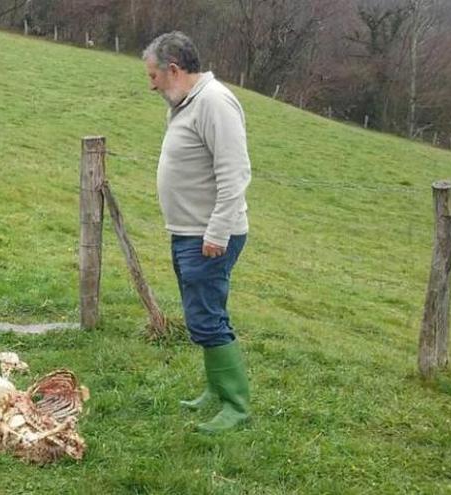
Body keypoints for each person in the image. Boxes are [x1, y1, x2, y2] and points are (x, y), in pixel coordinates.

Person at [142, 32, 252, 433]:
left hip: (209, 236)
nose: (150, 84)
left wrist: (217, 232)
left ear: (174, 69)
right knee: (202, 315)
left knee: (207, 318)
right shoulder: (187, 102)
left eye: (154, 75)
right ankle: (215, 390)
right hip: (189, 232)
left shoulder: (214, 102)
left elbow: (235, 173)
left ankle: (236, 406)